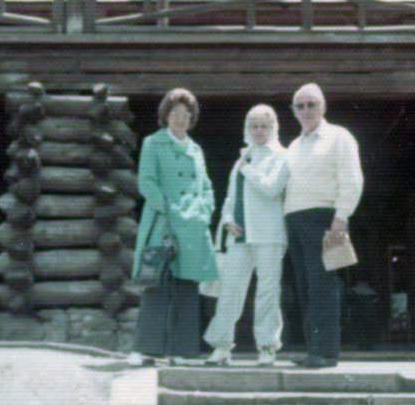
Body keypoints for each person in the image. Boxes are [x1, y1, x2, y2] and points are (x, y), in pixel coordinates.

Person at [129, 88, 218, 366]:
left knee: (187, 288)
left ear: (192, 119)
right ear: (166, 116)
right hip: (162, 223)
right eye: (175, 113)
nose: (181, 119)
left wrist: (204, 212)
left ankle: (183, 352)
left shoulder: (196, 149)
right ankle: (147, 351)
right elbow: (147, 182)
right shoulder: (153, 143)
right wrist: (169, 209)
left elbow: (205, 187)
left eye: (186, 114)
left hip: (192, 228)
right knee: (155, 284)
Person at [283, 83, 364, 369]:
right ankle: (313, 349)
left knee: (322, 286)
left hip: (324, 220)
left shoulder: (339, 137)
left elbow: (352, 178)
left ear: (323, 107)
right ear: (294, 111)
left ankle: (326, 352)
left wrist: (341, 218)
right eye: (300, 106)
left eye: (311, 104)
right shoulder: (293, 146)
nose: (306, 111)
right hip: (295, 221)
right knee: (305, 288)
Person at [203, 104, 290, 367]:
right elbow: (231, 197)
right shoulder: (242, 158)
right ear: (247, 129)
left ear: (273, 128)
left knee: (267, 291)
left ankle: (266, 346)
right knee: (230, 289)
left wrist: (248, 169)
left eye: (264, 126)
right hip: (239, 235)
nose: (259, 131)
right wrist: (228, 219)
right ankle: (221, 345)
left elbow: (272, 188)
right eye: (254, 126)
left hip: (269, 234)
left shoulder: (282, 157)